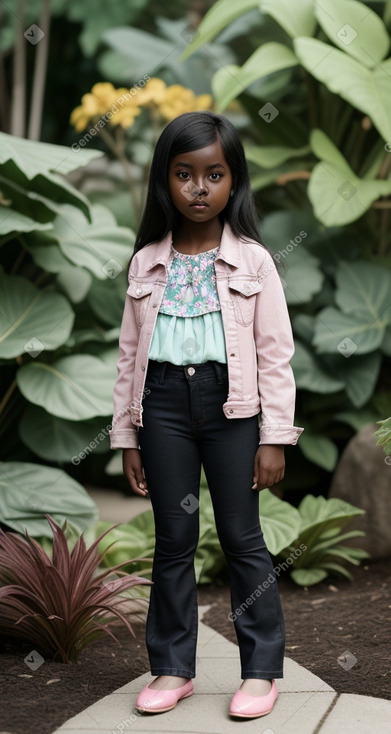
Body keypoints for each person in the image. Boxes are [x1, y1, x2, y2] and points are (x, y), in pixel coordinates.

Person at [109, 110, 303, 719]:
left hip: (232, 408)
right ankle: (171, 666)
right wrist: (128, 436)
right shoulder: (145, 263)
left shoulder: (253, 261)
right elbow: (127, 356)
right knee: (173, 540)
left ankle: (261, 671)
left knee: (242, 537)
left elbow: (275, 354)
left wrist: (273, 437)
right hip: (161, 405)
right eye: (184, 174)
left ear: (233, 180)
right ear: (164, 182)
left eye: (213, 174)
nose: (199, 188)